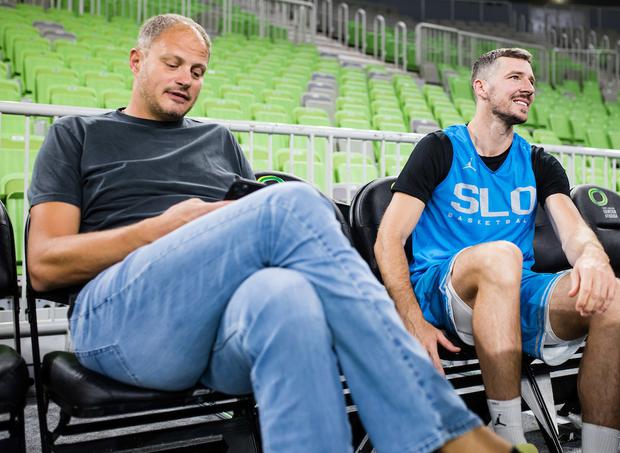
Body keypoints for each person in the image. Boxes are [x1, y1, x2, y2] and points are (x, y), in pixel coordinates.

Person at [25, 14, 522, 453]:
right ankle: (437, 430)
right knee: (292, 202)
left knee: (286, 297)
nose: (185, 80)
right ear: (137, 61)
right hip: (120, 317)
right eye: (172, 64)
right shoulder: (78, 134)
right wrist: (161, 228)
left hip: (216, 327)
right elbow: (45, 265)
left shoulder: (217, 140)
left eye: (197, 71)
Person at [375, 48, 620, 453]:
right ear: (481, 87)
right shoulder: (440, 148)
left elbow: (574, 232)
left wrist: (592, 258)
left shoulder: (538, 161)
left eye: (531, 81)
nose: (528, 88)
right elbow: (388, 239)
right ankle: (507, 439)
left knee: (615, 296)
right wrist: (411, 320)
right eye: (515, 78)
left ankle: (601, 448)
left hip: (513, 289)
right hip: (445, 289)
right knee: (502, 255)